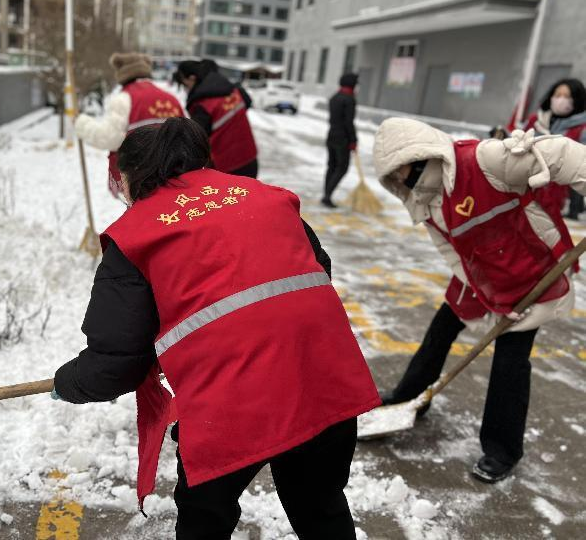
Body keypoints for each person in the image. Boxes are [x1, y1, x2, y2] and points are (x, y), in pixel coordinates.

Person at [52, 117, 380, 539]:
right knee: (319, 506)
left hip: (232, 405)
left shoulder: (137, 233)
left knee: (205, 517)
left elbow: (116, 362)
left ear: (134, 176)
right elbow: (316, 272)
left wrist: (69, 383)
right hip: (321, 379)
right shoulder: (268, 196)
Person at [373, 118, 586, 483]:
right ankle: (412, 397)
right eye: (391, 175)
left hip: (527, 273)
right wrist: (483, 291)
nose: (399, 179)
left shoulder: (485, 161)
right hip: (478, 276)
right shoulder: (424, 198)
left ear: (417, 153)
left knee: (510, 360)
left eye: (399, 168)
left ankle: (502, 450)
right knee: (440, 330)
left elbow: (562, 153)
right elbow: (450, 252)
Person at [75, 52, 184, 198]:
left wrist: (81, 123)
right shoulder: (171, 99)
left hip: (140, 180)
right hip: (175, 178)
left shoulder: (124, 99)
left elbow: (109, 138)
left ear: (122, 74)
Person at [175, 60, 259, 178]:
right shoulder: (234, 92)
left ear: (192, 78)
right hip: (249, 159)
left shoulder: (203, 105)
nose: (185, 89)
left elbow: (194, 143)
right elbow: (248, 101)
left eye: (184, 84)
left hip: (226, 168)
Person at [520, 78, 586, 219]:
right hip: (527, 193)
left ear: (577, 99)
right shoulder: (536, 121)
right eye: (557, 95)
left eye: (567, 96)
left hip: (563, 204)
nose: (560, 100)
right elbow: (520, 144)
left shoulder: (582, 129)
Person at [322, 73, 359, 208]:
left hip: (331, 135)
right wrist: (353, 140)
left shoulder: (335, 97)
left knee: (332, 166)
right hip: (342, 139)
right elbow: (348, 122)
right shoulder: (349, 99)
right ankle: (327, 196)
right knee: (342, 167)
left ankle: (326, 194)